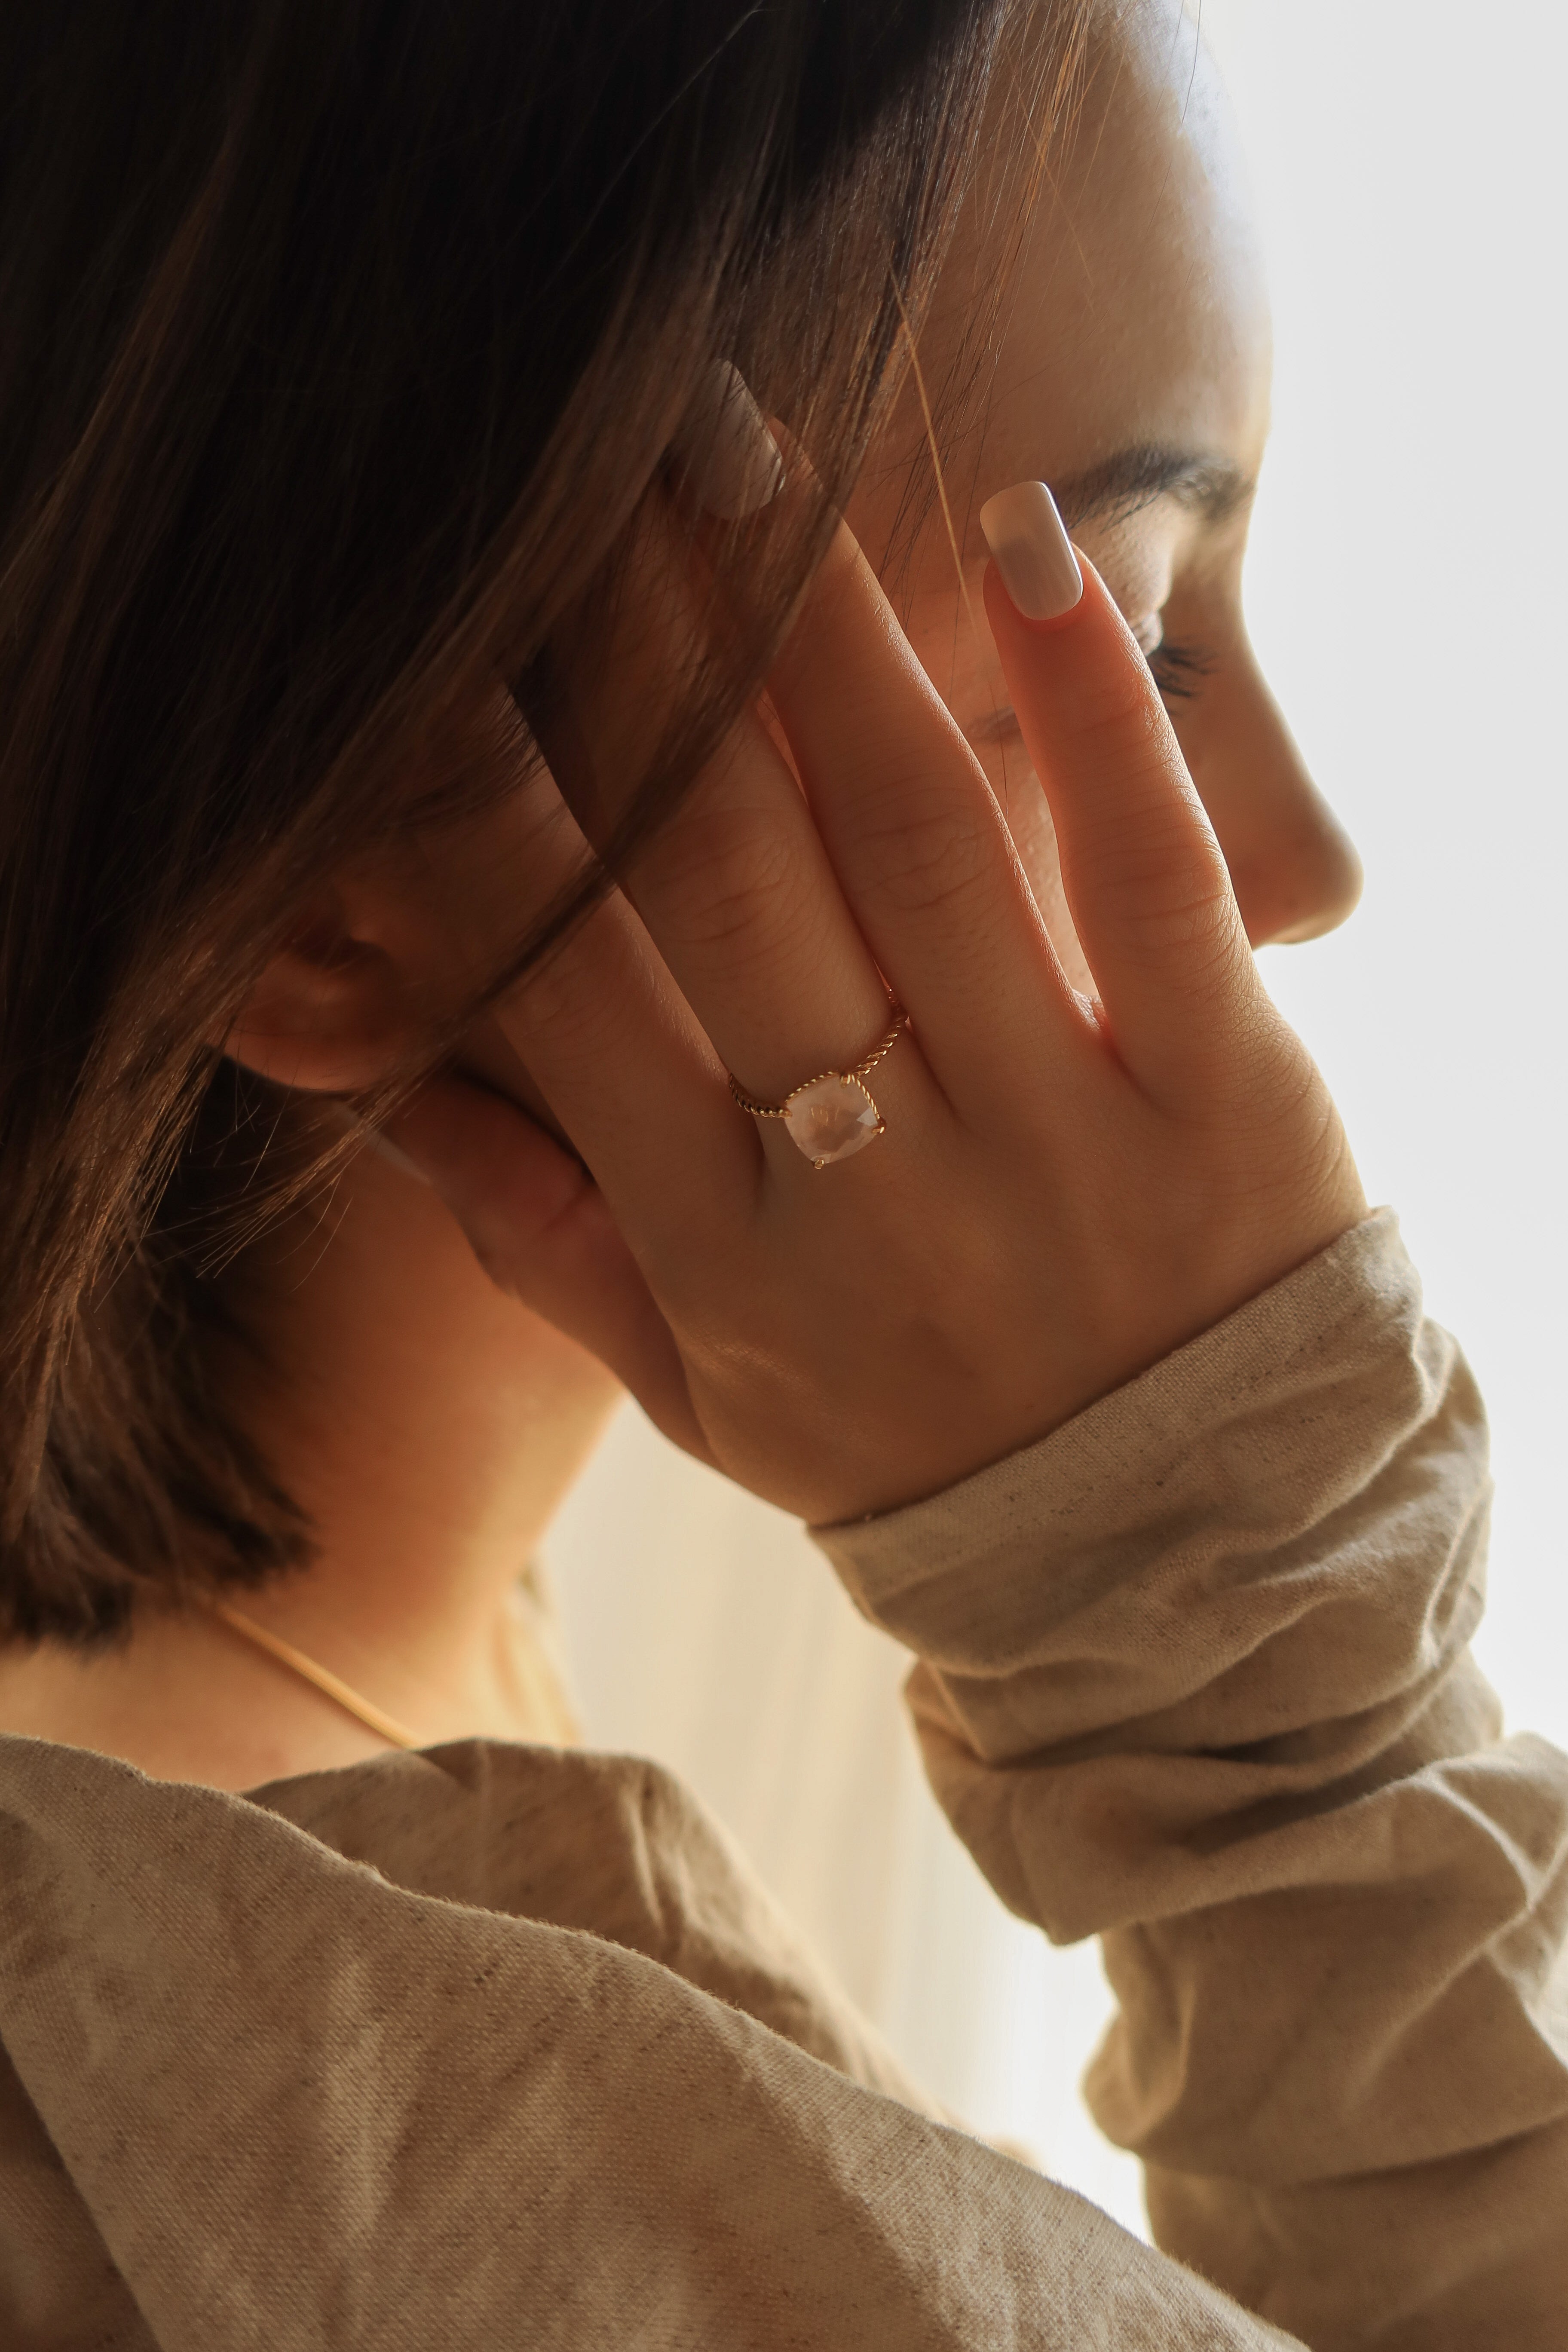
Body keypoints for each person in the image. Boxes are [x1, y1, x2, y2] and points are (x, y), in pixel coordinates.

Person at [0, 3, 1561, 2348]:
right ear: (348, 870)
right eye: (1132, 639)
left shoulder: (437, 1746)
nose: (1306, 864)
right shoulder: (297, 2159)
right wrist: (1272, 1720)